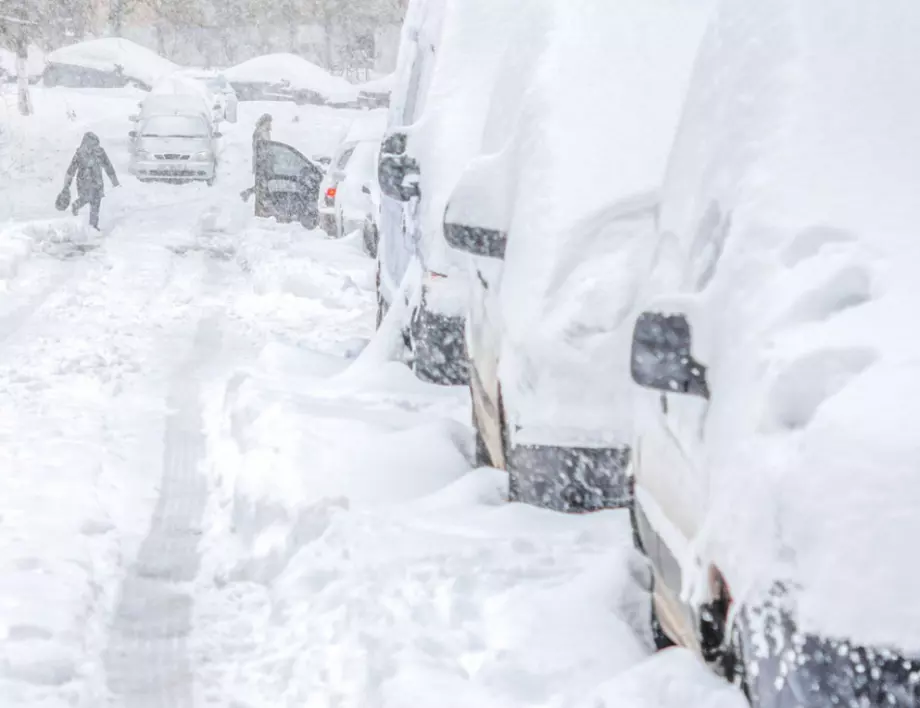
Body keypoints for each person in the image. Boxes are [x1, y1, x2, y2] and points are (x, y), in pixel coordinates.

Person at [63, 132, 119, 230]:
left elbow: (108, 167)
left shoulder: (100, 153)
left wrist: (115, 183)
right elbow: (71, 170)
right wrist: (66, 185)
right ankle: (76, 205)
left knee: (96, 202)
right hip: (84, 181)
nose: (95, 147)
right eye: (92, 144)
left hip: (97, 181)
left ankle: (93, 226)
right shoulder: (79, 154)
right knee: (87, 197)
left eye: (96, 144)